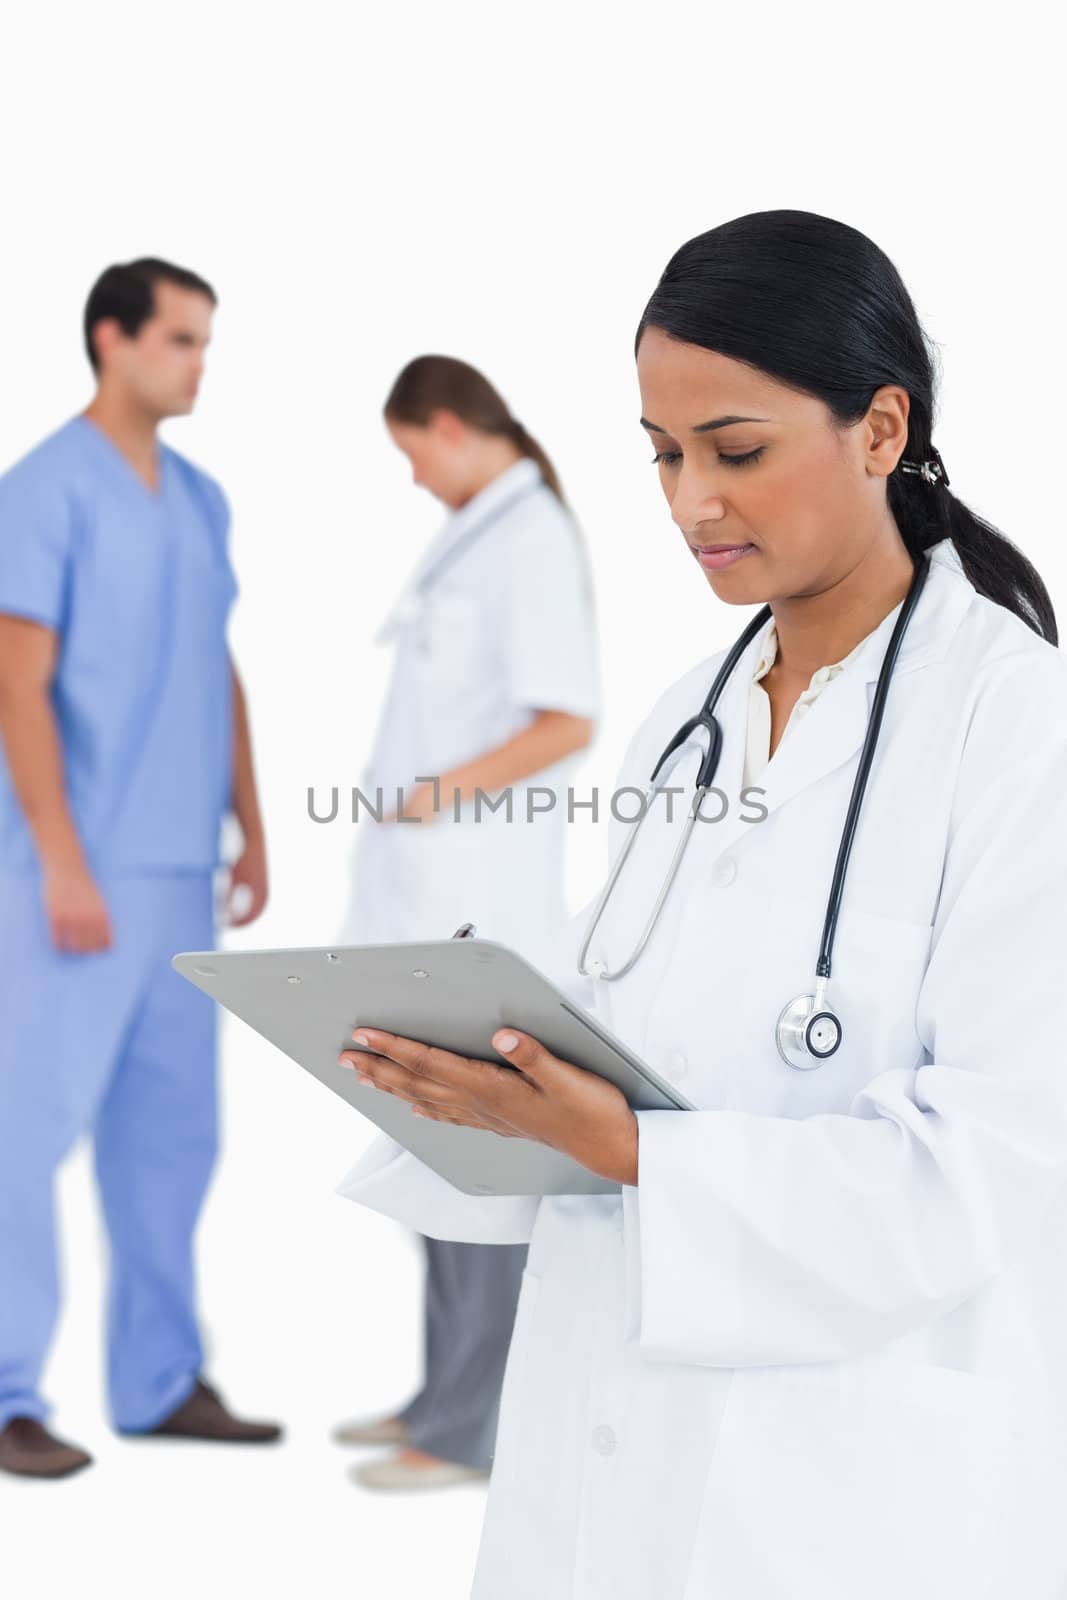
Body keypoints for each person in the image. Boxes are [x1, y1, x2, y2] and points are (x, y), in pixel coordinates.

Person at [333, 211, 1067, 1597]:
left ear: (876, 428)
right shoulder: (689, 726)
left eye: (733, 452)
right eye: (662, 456)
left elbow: (985, 1166)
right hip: (612, 1447)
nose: (687, 505)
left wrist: (627, 1153)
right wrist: (481, 1087)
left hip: (855, 1482)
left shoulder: (1012, 724)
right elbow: (639, 1045)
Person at [0, 257, 281, 1479]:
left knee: (171, 1137)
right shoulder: (43, 490)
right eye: (179, 339)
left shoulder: (202, 498)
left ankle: (159, 1379)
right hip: (71, 872)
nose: (198, 362)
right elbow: (16, 681)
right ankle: (8, 1391)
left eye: (206, 341)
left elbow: (216, 665)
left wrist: (251, 822)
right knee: (23, 1133)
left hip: (176, 867)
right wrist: (61, 859)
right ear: (111, 340)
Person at [333, 355, 599, 1491]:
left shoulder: (528, 537)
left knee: (467, 1158)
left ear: (447, 427)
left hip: (474, 899)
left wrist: (439, 793)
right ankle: (441, 1393)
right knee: (420, 1142)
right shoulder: (484, 534)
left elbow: (565, 718)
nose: (411, 478)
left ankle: (466, 1425)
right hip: (428, 898)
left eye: (410, 453)